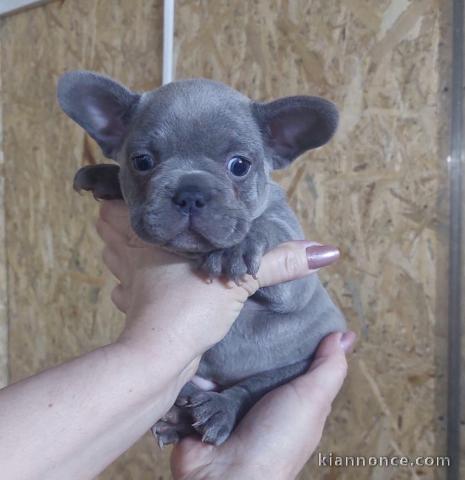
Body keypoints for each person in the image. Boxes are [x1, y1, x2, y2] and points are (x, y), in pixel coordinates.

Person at [0, 200, 356, 480]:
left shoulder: (270, 212)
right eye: (144, 162)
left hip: (282, 363)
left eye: (237, 166)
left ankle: (229, 401)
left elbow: (285, 299)